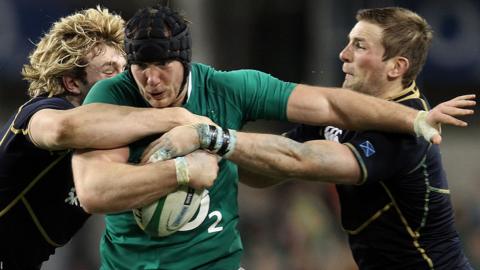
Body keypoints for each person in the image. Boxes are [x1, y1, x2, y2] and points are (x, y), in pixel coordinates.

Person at [71, 5, 475, 270]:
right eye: (141, 66)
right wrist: (197, 165)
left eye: (359, 45)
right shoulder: (110, 95)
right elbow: (272, 171)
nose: (342, 54)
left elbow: (306, 161)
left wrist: (209, 136)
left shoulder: (411, 132)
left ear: (396, 66)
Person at [0, 7, 218, 270]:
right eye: (109, 69)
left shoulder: (113, 140)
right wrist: (178, 118)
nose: (123, 79)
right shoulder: (42, 112)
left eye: (125, 69)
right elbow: (62, 129)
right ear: (72, 83)